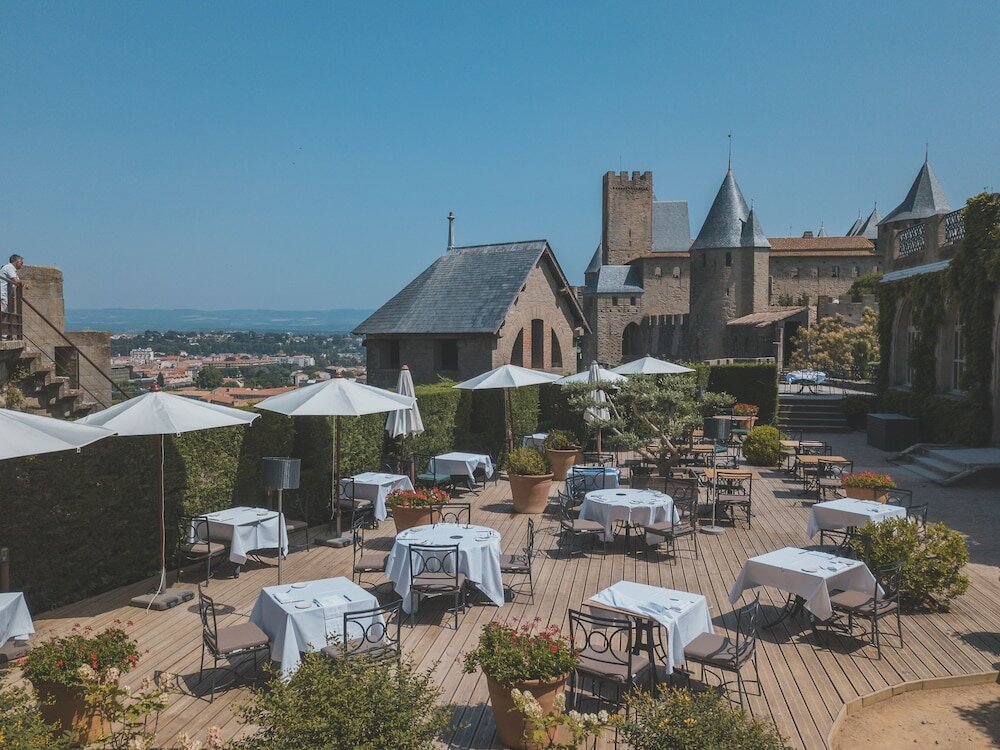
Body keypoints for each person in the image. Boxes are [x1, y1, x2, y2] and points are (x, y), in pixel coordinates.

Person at [0, 254, 26, 339]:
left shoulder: (12, 270)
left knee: (5, 314)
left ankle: (4, 336)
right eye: (21, 262)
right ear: (17, 261)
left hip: (5, 295)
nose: (22, 264)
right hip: (3, 295)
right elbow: (16, 281)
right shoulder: (9, 268)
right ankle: (3, 336)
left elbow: (16, 281)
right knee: (3, 314)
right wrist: (24, 284)